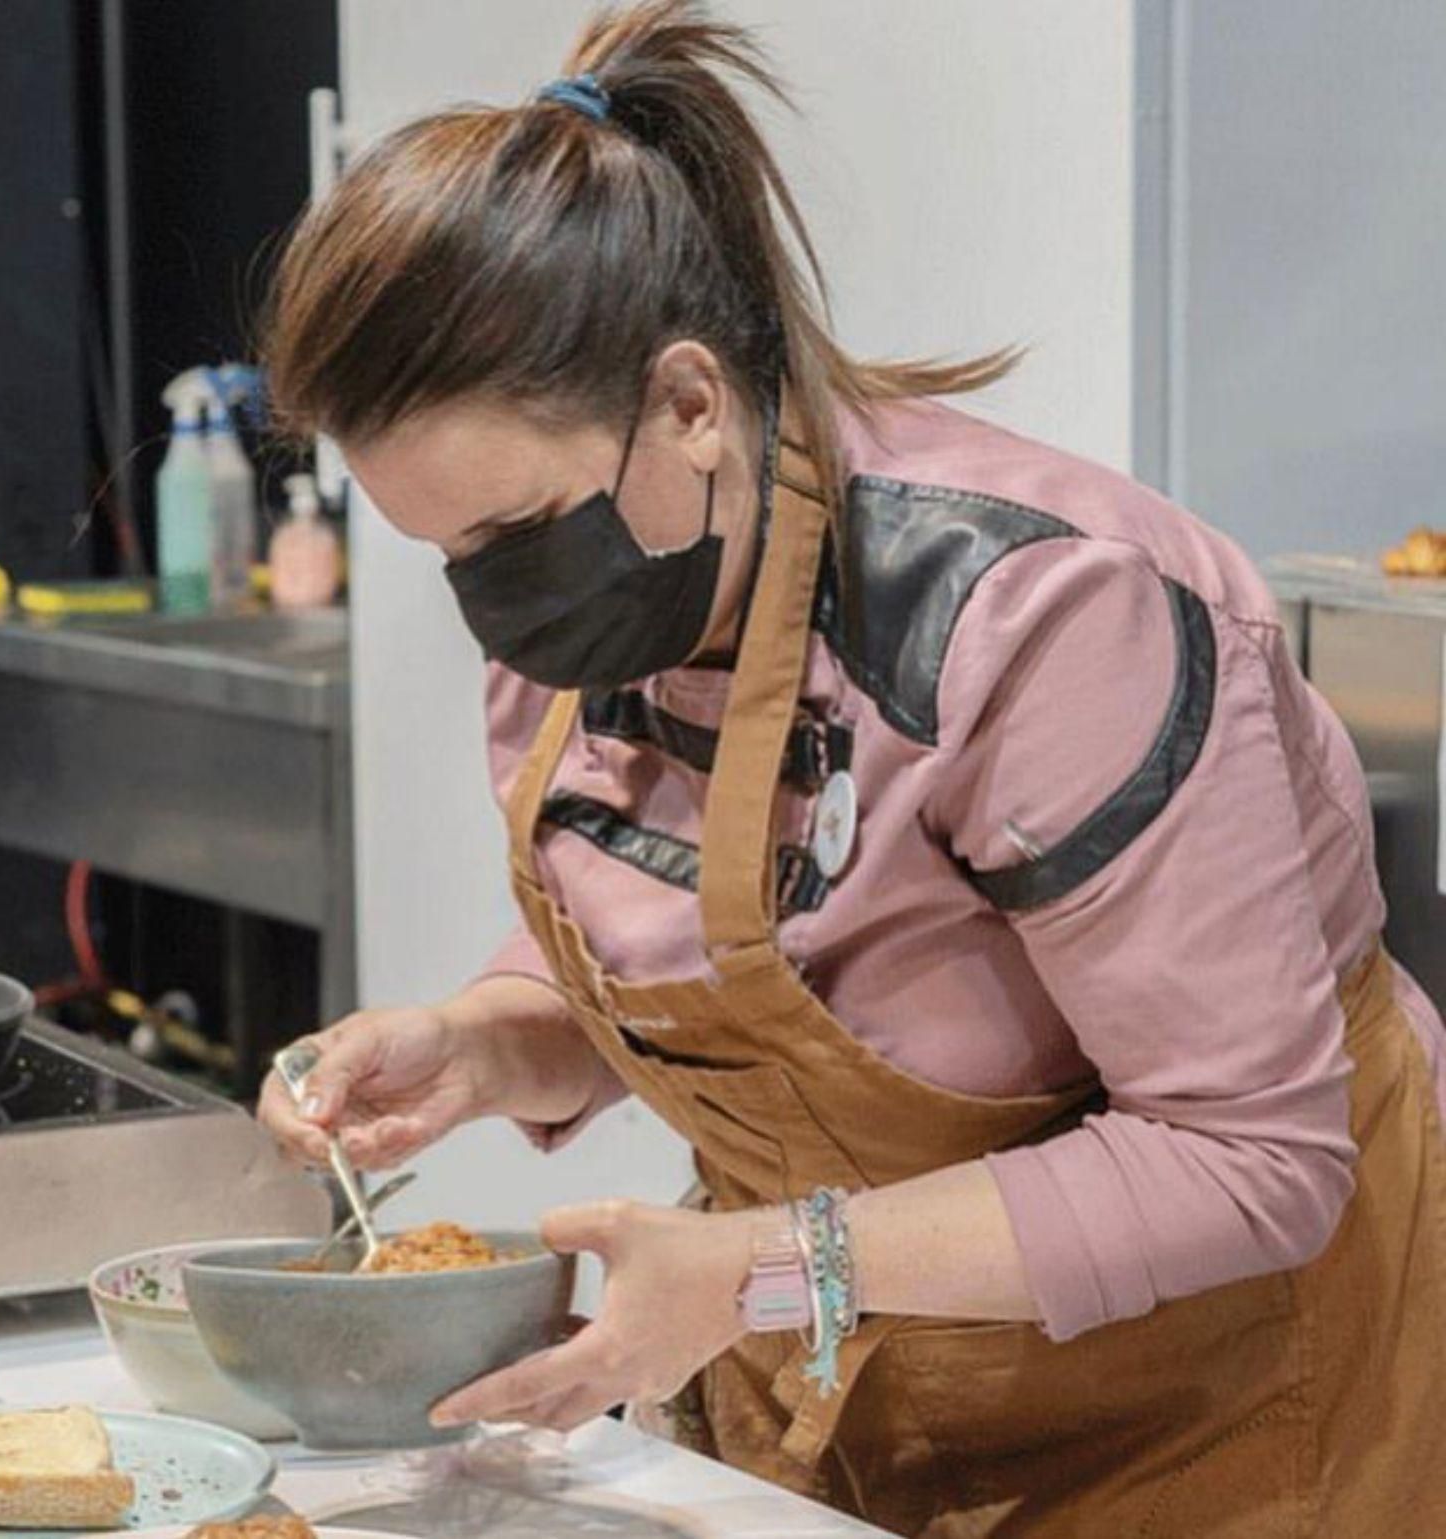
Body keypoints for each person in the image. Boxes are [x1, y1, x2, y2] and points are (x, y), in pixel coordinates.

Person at [256, 2, 1446, 1532]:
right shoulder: (604, 587)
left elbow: (1249, 1157)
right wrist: (489, 1044)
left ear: (689, 405)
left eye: (510, 535)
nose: (494, 603)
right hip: (843, 1391)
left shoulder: (1045, 622)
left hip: (1215, 1408)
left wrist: (766, 1265)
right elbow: (720, 946)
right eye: (446, 553)